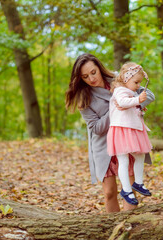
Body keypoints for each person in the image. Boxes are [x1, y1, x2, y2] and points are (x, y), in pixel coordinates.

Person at [65, 53, 155, 212]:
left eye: (93, 72)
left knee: (130, 189)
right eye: (85, 77)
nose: (91, 79)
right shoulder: (83, 97)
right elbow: (96, 128)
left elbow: (149, 95)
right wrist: (116, 108)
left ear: (99, 68)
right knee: (109, 192)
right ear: (80, 79)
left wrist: (135, 105)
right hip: (103, 144)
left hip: (127, 137)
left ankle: (128, 227)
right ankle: (112, 228)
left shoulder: (118, 79)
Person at [107, 62, 153, 206]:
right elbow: (122, 101)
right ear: (126, 79)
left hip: (131, 129)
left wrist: (138, 106)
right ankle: (126, 190)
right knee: (124, 160)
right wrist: (136, 100)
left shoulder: (132, 91)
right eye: (136, 82)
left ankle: (138, 182)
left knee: (139, 156)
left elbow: (131, 106)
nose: (138, 85)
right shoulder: (120, 90)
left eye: (140, 82)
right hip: (121, 129)